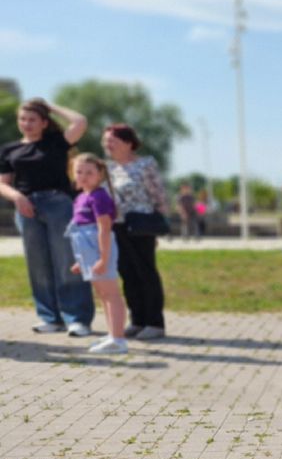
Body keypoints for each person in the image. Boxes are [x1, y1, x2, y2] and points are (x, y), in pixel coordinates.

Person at [1, 98, 93, 335]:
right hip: (26, 208)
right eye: (23, 119)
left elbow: (80, 122)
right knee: (38, 265)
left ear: (44, 122)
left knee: (66, 261)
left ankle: (77, 319)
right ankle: (50, 318)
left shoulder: (56, 142)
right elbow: (2, 183)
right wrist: (17, 198)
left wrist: (50, 107)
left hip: (58, 205)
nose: (27, 123)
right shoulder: (9, 149)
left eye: (33, 119)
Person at [102, 124, 170, 340]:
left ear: (128, 143)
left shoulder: (145, 164)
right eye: (105, 142)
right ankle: (137, 320)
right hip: (117, 226)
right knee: (128, 274)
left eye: (113, 141)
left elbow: (158, 193)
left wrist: (159, 222)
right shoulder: (107, 168)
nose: (108, 145)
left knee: (146, 273)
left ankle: (154, 323)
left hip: (141, 224)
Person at [65, 154, 128, 355]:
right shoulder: (81, 197)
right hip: (88, 251)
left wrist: (103, 257)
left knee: (111, 294)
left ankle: (119, 340)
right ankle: (112, 335)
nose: (83, 176)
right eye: (79, 172)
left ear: (100, 175)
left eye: (89, 172)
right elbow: (80, 233)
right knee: (103, 294)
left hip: (99, 249)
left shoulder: (99, 197)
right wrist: (81, 261)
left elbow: (103, 229)